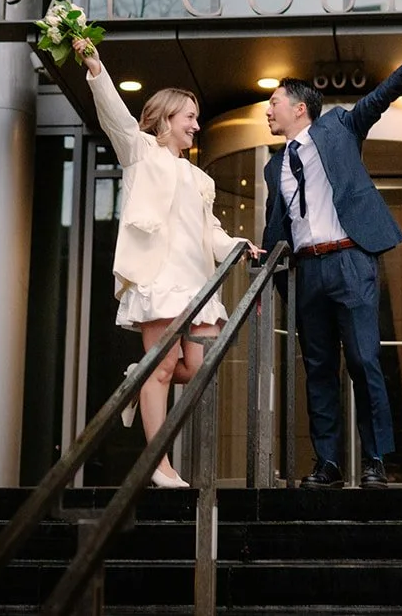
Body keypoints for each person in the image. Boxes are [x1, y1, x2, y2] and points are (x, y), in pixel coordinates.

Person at [261, 20, 402, 489]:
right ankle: (327, 463)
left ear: (299, 107)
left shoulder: (339, 128)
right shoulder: (274, 167)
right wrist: (263, 261)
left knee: (365, 361)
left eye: (273, 103)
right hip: (307, 270)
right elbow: (277, 224)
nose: (268, 111)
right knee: (318, 370)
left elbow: (378, 98)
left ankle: (375, 460)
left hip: (351, 262)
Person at [72, 35, 261, 489]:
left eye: (196, 118)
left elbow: (210, 231)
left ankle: (141, 378)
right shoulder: (140, 154)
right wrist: (95, 67)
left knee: (198, 367)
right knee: (162, 368)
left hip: (196, 284)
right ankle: (159, 464)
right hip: (158, 279)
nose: (197, 125)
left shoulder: (199, 177)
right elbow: (115, 116)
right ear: (166, 119)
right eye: (190, 117)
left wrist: (238, 245)